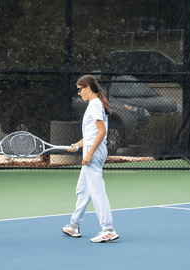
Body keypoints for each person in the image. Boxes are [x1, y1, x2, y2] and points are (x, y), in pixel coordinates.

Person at [62, 75, 119, 243]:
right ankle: (74, 225)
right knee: (83, 190)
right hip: (93, 149)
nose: (78, 93)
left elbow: (102, 132)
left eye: (80, 89)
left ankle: (108, 229)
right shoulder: (95, 104)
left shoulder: (94, 104)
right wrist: (78, 145)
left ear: (87, 88)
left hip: (93, 152)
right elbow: (91, 135)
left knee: (96, 191)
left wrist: (88, 154)